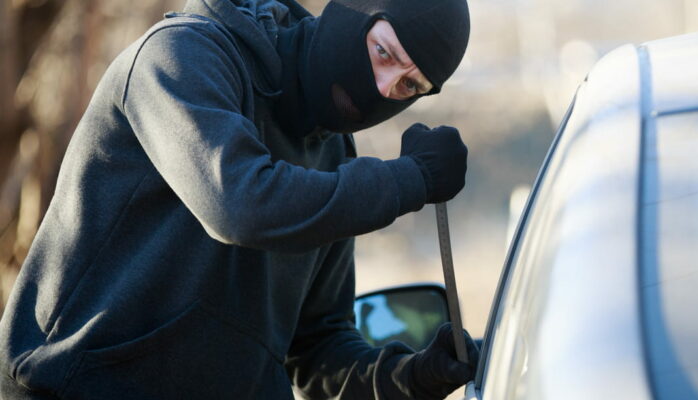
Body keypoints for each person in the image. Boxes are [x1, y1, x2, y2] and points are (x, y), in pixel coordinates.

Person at [0, 0, 478, 398]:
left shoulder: (334, 158)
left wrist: (412, 376)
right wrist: (406, 181)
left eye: (410, 86)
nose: (383, 89)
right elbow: (240, 204)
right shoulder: (182, 57)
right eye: (383, 53)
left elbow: (316, 351)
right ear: (350, 13)